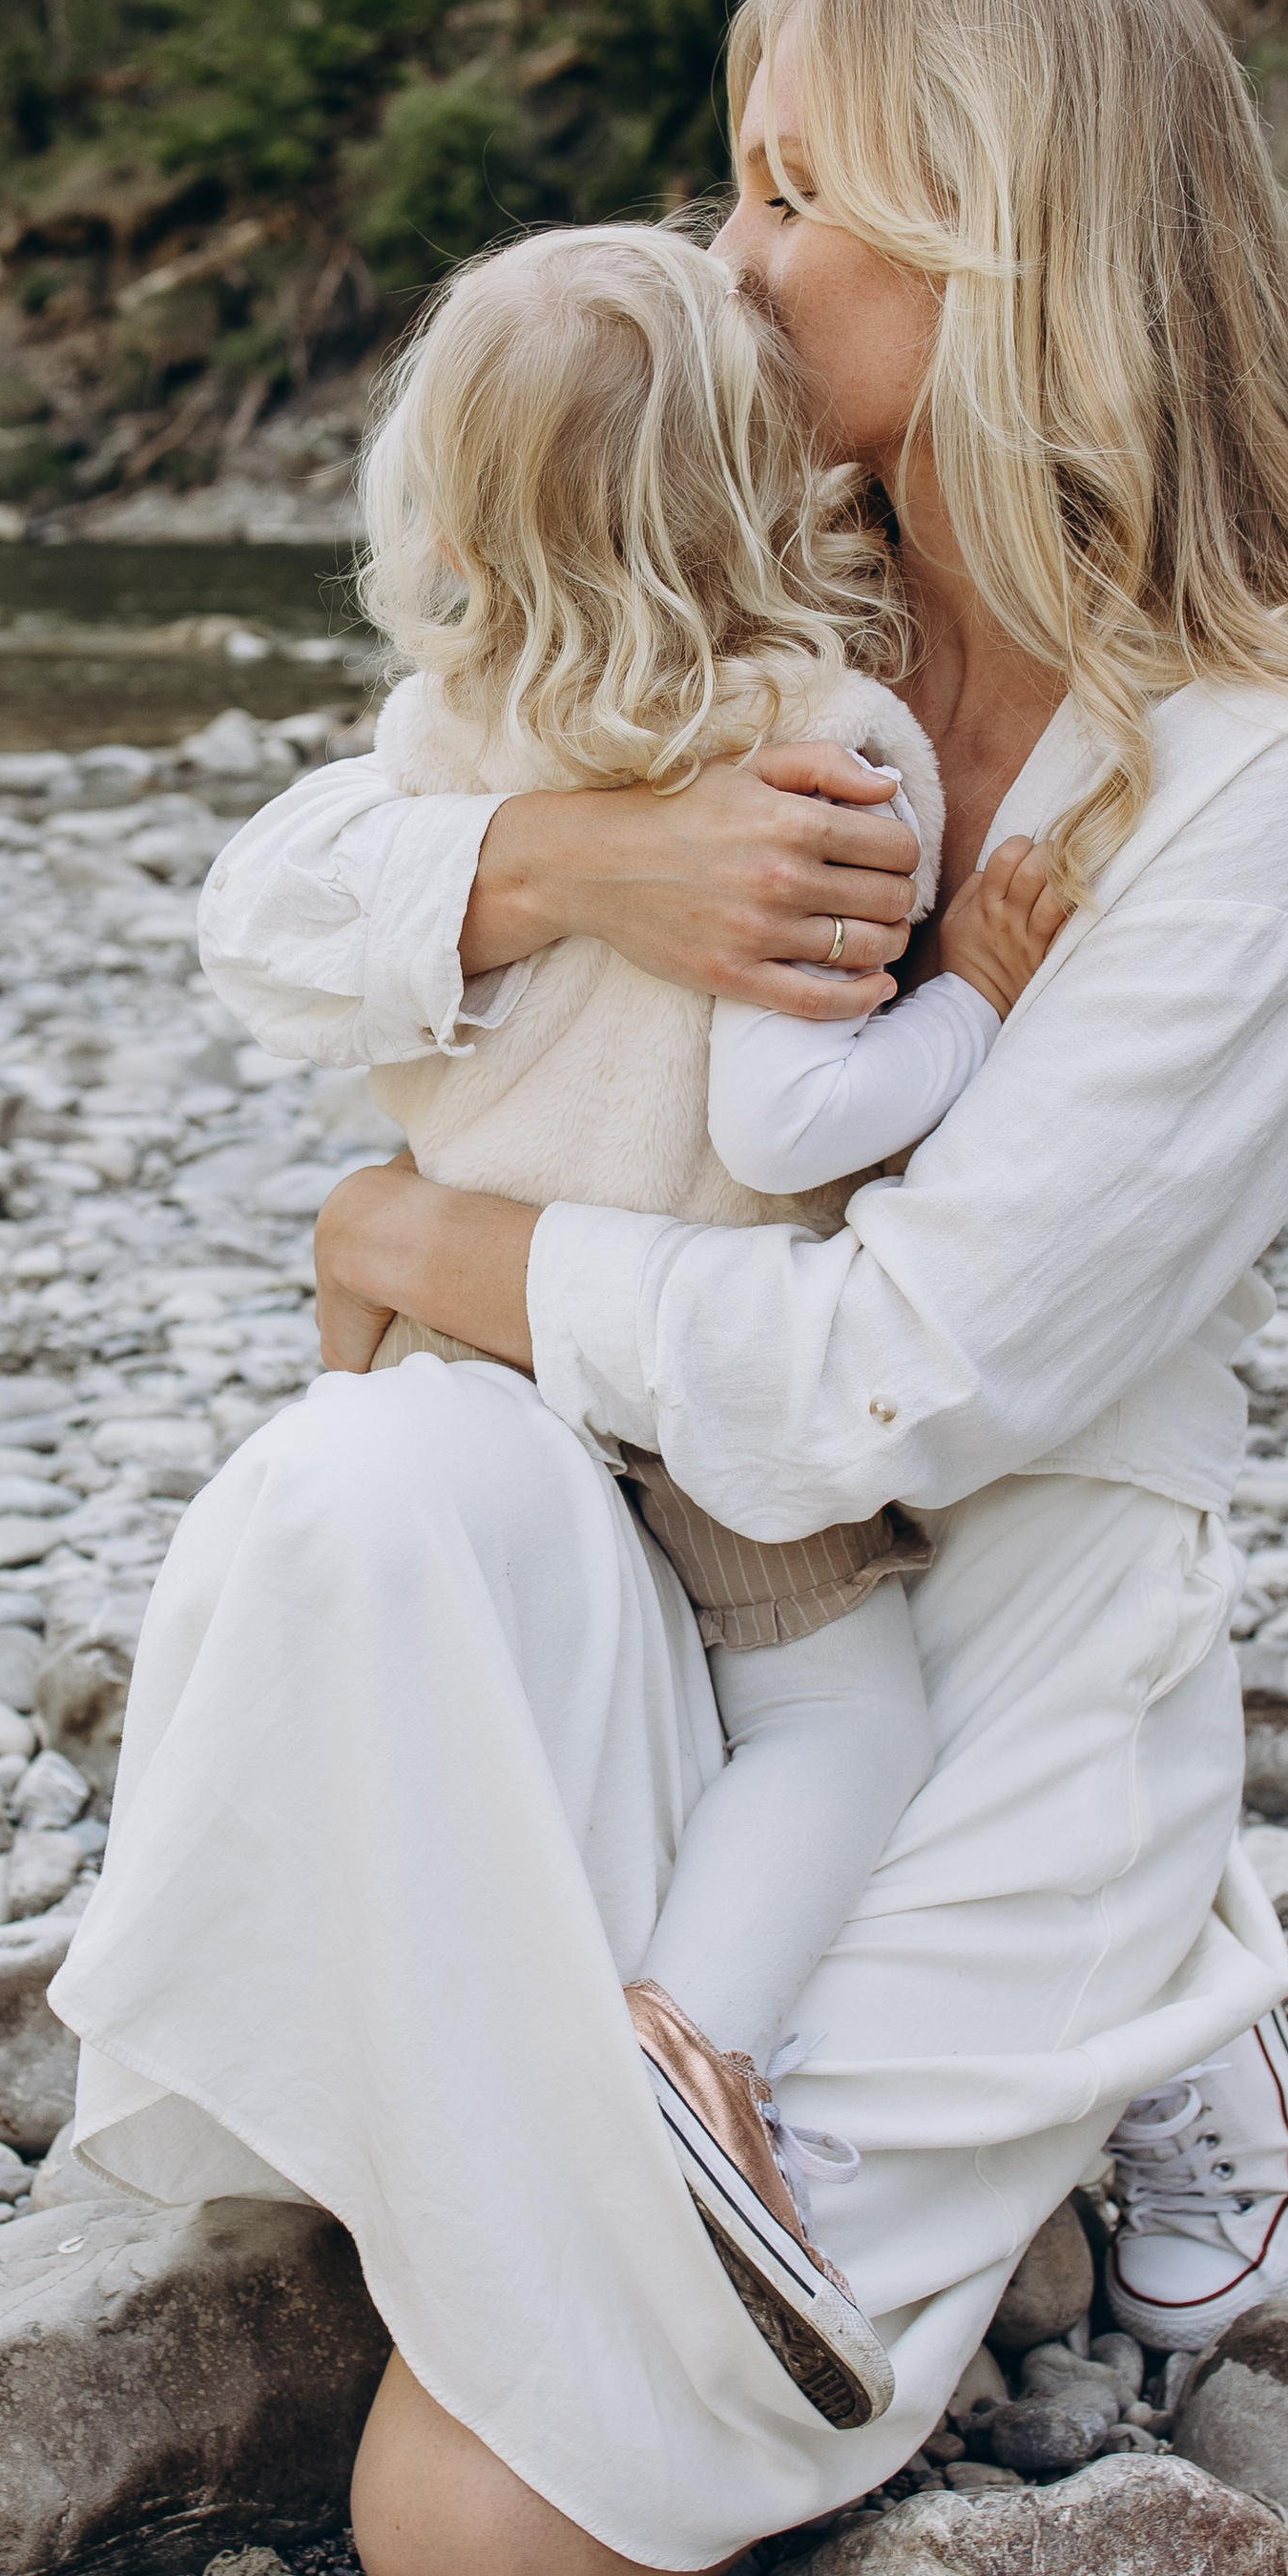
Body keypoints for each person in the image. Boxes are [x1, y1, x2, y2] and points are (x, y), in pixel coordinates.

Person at [51, 0, 1288, 2576]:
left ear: (1002, 237)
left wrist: (437, 1233)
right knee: (351, 1491)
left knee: (478, 2545)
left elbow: (901, 1376)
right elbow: (263, 910)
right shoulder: (753, 551)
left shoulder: (1257, 757)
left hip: (963, 1619)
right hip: (647, 1528)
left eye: (784, 193)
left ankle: (1141, 1969)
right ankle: (670, 2054)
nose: (725, 262)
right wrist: (569, 859)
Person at [348, 218, 1070, 2431]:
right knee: (843, 1725)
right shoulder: (817, 736)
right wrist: (974, 990)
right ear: (760, 472)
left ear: (453, 507)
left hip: (452, 1341)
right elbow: (790, 1111)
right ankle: (689, 2049)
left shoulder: (443, 731)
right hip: (667, 1359)